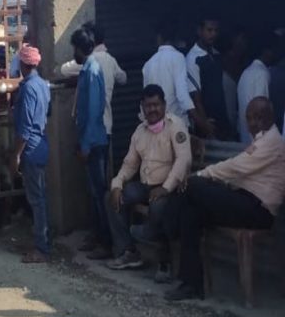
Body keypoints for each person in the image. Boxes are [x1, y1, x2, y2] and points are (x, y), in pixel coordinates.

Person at [166, 97, 285, 301]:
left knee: (193, 186)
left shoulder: (272, 142)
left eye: (257, 117)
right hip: (244, 201)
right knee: (190, 213)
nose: (252, 123)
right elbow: (238, 173)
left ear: (268, 118)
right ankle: (191, 284)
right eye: (249, 118)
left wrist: (201, 174)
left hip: (258, 210)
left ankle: (165, 228)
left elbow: (236, 166)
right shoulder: (262, 140)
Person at [107, 85, 191, 277]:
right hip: (145, 186)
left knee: (158, 207)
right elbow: (129, 164)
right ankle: (128, 252)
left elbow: (184, 160)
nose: (152, 109)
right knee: (111, 198)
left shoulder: (175, 125)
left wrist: (165, 188)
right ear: (142, 108)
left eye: (156, 105)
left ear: (164, 105)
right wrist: (117, 184)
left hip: (170, 187)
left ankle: (164, 262)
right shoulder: (140, 131)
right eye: (148, 106)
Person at [73, 28, 112, 260]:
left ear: (80, 48)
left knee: (99, 193)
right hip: (91, 139)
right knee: (94, 192)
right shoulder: (88, 69)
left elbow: (94, 111)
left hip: (95, 141)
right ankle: (98, 237)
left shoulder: (92, 70)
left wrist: (86, 145)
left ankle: (106, 243)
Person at [11, 45, 51, 263]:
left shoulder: (28, 89)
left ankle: (41, 248)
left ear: (23, 64)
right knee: (39, 197)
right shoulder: (43, 85)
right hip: (41, 144)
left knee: (36, 200)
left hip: (31, 148)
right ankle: (41, 241)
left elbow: (25, 128)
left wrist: (16, 154)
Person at [59, 22, 127, 140]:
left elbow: (64, 70)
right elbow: (123, 78)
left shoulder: (88, 60)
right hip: (106, 125)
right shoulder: (110, 60)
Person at [142, 22, 198, 129]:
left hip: (156, 126)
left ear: (159, 38)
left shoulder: (148, 64)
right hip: (177, 125)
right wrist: (202, 122)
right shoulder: (178, 58)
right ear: (175, 39)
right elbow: (182, 96)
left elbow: (145, 100)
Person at [185, 17, 224, 139]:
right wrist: (205, 125)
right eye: (209, 30)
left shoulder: (216, 54)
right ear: (199, 31)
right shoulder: (193, 59)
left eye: (216, 30)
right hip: (206, 125)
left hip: (221, 120)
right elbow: (196, 98)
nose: (213, 34)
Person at [237, 32, 277, 144]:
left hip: (245, 139)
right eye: (273, 50)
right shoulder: (262, 74)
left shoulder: (246, 72)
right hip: (256, 141)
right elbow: (261, 111)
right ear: (266, 51)